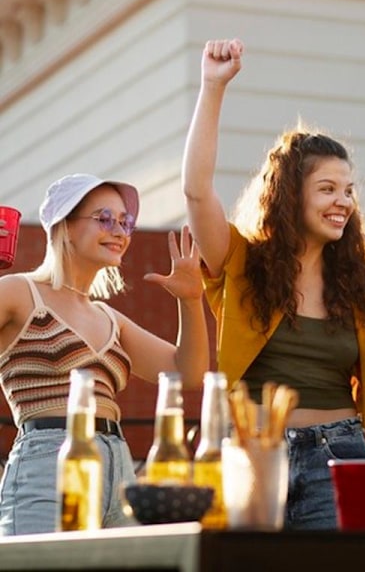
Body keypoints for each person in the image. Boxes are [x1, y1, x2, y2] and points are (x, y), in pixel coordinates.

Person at [181, 38, 365, 529]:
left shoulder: (358, 283)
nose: (343, 202)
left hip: (340, 454)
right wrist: (212, 87)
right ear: (290, 197)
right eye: (327, 189)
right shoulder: (240, 261)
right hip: (252, 455)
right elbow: (197, 190)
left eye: (348, 190)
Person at [0, 173, 210, 536]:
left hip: (120, 468)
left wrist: (191, 300)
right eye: (105, 219)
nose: (120, 231)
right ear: (64, 226)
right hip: (49, 461)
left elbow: (186, 372)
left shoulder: (111, 319)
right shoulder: (20, 292)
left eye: (125, 222)